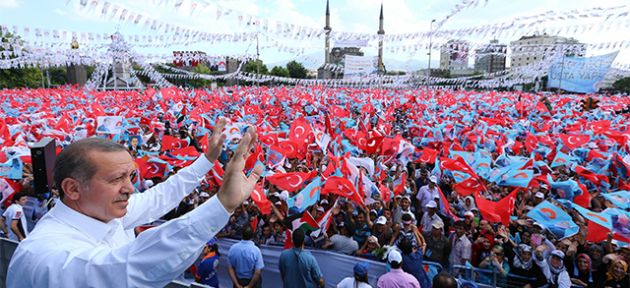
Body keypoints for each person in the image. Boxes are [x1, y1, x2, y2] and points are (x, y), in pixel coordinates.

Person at [7, 119, 264, 287]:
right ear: (73, 189)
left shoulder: (105, 212)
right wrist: (221, 205)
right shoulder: (42, 254)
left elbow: (159, 196)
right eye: (117, 179)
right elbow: (122, 270)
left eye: (130, 176)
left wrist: (207, 160)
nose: (130, 188)